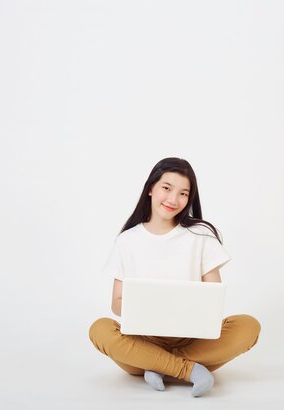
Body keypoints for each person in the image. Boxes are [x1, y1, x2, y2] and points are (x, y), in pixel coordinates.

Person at [88, 157, 261, 397]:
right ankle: (188, 370)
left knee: (248, 326)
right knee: (100, 329)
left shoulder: (200, 235)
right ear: (151, 188)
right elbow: (116, 304)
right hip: (142, 340)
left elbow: (213, 300)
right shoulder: (127, 240)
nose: (172, 200)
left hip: (192, 340)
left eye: (183, 193)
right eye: (166, 188)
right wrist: (151, 306)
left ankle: (157, 366)